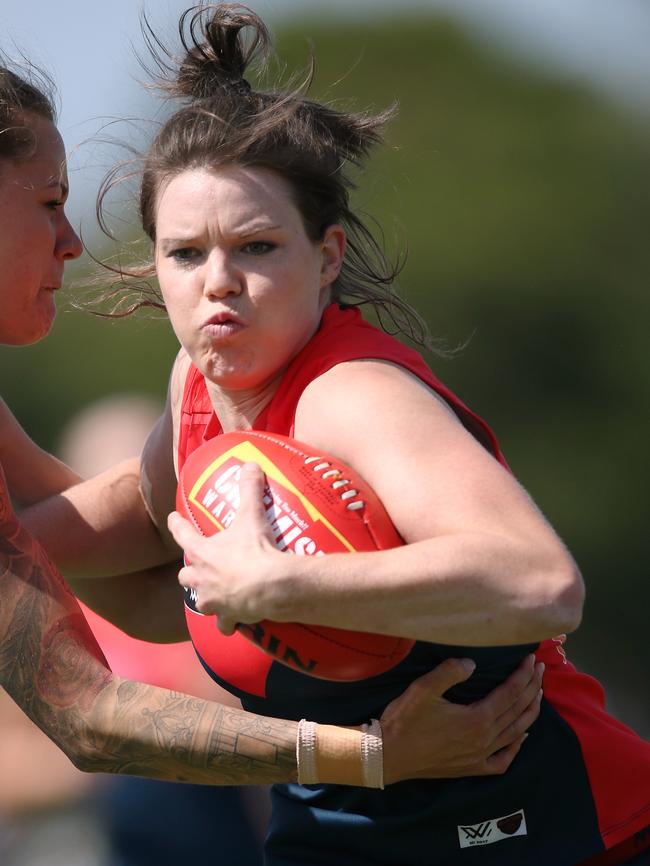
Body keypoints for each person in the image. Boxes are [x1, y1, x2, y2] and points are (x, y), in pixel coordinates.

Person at [19, 5, 650, 864]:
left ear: (327, 256)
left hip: (547, 826)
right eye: (185, 254)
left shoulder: (352, 395)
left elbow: (543, 583)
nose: (221, 284)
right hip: (337, 826)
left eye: (258, 245)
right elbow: (142, 550)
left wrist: (280, 588)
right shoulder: (198, 386)